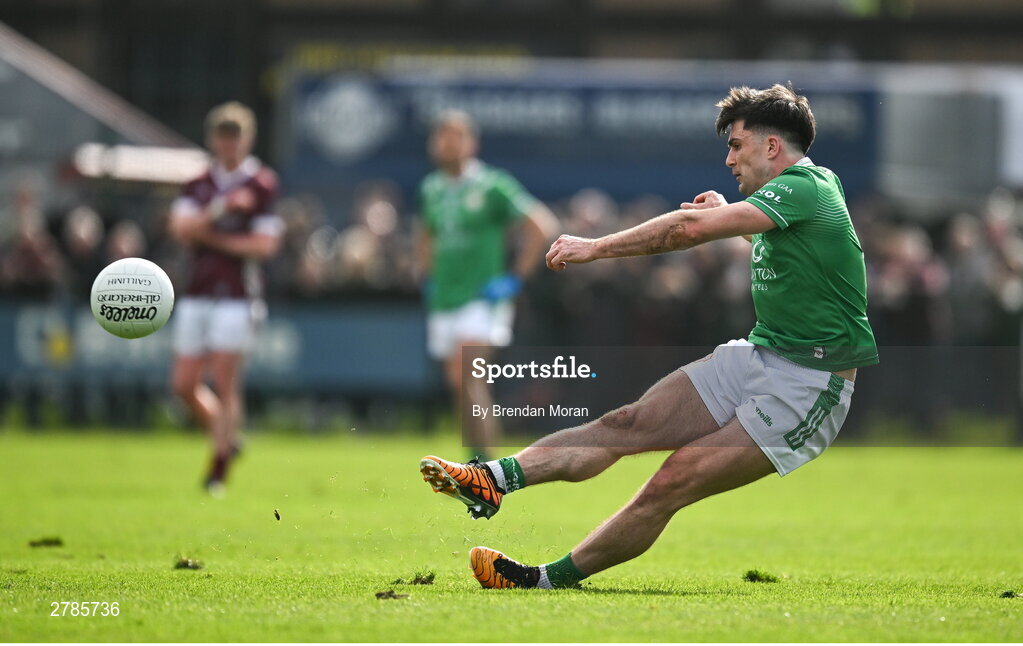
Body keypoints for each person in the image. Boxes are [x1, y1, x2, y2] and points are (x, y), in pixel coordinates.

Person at [419, 84, 878, 588]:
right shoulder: (798, 196)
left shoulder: (805, 185)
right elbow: (786, 244)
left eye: (737, 144)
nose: (728, 158)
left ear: (772, 147)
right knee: (627, 422)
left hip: (809, 384)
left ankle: (544, 579)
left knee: (672, 480)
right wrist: (729, 212)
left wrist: (595, 246)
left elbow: (685, 230)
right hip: (759, 354)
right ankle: (493, 479)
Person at [416, 110, 558, 460]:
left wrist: (514, 279)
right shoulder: (431, 188)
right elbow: (425, 235)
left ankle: (490, 468)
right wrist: (426, 275)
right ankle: (477, 462)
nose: (448, 144)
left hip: (481, 298)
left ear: (471, 144)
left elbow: (541, 225)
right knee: (458, 382)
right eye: (442, 136)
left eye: (456, 136)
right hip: (445, 299)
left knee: (468, 375)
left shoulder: (491, 185)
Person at [168, 102, 283, 495]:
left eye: (236, 138)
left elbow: (264, 245)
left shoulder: (261, 183)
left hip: (237, 295)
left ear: (247, 140)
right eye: (223, 137)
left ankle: (218, 468)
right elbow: (181, 229)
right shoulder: (198, 183)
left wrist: (212, 236)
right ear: (214, 140)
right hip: (197, 291)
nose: (230, 145)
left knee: (224, 380)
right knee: (184, 384)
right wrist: (219, 210)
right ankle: (228, 437)